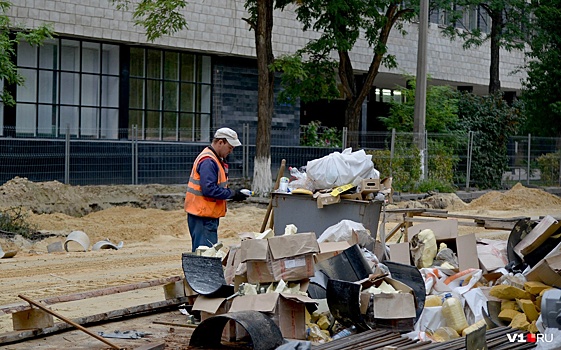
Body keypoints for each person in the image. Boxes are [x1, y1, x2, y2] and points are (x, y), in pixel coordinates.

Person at [184, 127, 248, 252]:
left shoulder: (212, 158)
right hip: (203, 215)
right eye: (230, 147)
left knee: (204, 254)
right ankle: (202, 272)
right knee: (206, 255)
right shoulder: (209, 161)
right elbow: (209, 190)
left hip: (203, 213)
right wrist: (233, 194)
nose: (231, 151)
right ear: (220, 142)